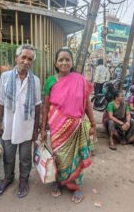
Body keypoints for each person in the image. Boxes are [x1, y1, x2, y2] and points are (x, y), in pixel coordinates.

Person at [41, 48, 96, 204]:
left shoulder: (80, 80)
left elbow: (87, 104)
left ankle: (76, 186)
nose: (64, 62)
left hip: (77, 127)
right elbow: (45, 107)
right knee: (59, 156)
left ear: (72, 63)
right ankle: (59, 182)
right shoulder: (50, 81)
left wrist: (92, 123)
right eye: (61, 60)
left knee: (76, 157)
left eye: (67, 59)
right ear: (55, 63)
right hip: (57, 128)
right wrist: (42, 128)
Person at [0, 44, 41, 198]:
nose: (26, 61)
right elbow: (0, 102)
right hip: (9, 125)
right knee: (8, 155)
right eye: (23, 57)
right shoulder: (5, 77)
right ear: (17, 58)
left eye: (30, 59)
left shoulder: (35, 80)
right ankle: (8, 178)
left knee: (26, 158)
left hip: (26, 126)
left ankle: (24, 180)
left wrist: (36, 129)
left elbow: (37, 105)